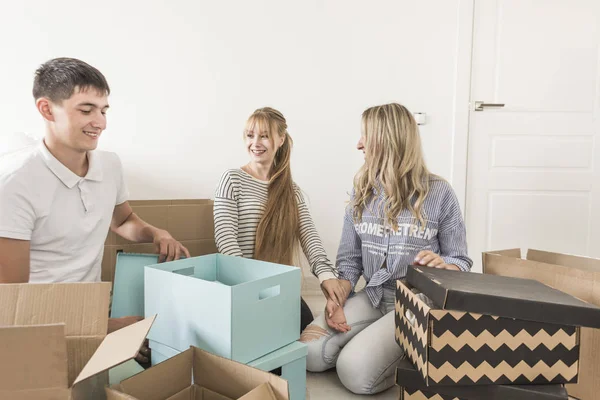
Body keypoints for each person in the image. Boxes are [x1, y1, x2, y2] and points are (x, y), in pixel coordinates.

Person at [0, 58, 190, 362]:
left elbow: (123, 220)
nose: (100, 122)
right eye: (86, 110)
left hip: (90, 312)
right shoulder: (14, 182)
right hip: (37, 332)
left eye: (103, 110)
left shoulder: (110, 165)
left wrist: (155, 232)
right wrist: (107, 327)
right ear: (47, 109)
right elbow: (14, 303)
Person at [300, 103, 473, 395]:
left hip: (415, 304)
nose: (358, 144)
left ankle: (415, 351)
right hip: (373, 295)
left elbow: (461, 259)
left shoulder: (440, 193)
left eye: (365, 136)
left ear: (387, 139)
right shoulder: (361, 191)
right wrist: (337, 298)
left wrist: (445, 265)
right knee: (309, 353)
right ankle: (379, 343)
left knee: (353, 372)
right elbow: (350, 262)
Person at [213, 107, 347, 333]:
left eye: (264, 136)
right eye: (250, 135)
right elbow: (226, 239)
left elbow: (310, 238)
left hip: (277, 289)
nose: (255, 142)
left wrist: (327, 278)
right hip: (242, 288)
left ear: (281, 139)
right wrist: (252, 289)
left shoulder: (291, 191)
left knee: (307, 337)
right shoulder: (232, 179)